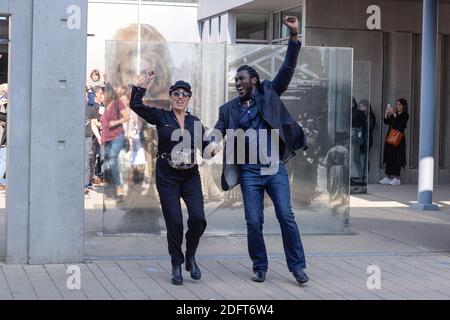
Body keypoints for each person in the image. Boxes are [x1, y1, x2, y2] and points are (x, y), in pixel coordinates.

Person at [211, 16, 309, 286]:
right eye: (235, 80)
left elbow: (287, 69)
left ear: (254, 79)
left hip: (273, 167)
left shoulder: (269, 93)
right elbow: (218, 128)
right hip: (249, 171)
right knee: (253, 222)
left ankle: (297, 268)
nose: (237, 83)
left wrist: (293, 37)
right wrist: (210, 143)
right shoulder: (228, 109)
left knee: (286, 216)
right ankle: (260, 266)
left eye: (241, 79)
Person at [130, 71, 208, 286]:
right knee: (174, 222)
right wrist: (142, 85)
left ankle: (190, 256)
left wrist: (214, 149)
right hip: (167, 175)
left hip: (191, 175)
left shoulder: (195, 122)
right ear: (171, 97)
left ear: (189, 98)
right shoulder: (161, 116)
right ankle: (176, 264)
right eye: (176, 93)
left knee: (198, 219)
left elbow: (206, 146)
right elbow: (136, 105)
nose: (180, 97)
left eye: (184, 94)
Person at [101, 83, 130, 200]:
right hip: (107, 138)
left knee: (112, 160)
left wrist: (116, 122)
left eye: (103, 92)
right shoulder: (105, 106)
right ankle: (114, 186)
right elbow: (104, 123)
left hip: (117, 136)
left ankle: (119, 188)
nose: (102, 95)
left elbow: (127, 116)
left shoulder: (118, 103)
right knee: (109, 162)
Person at [379, 99, 409, 186]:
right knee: (389, 156)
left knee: (397, 157)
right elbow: (386, 122)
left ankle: (396, 178)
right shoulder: (395, 115)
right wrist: (386, 113)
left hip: (399, 139)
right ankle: (388, 177)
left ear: (403, 106)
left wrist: (394, 114)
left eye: (400, 104)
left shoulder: (405, 115)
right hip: (390, 137)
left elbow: (400, 124)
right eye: (397, 104)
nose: (398, 106)